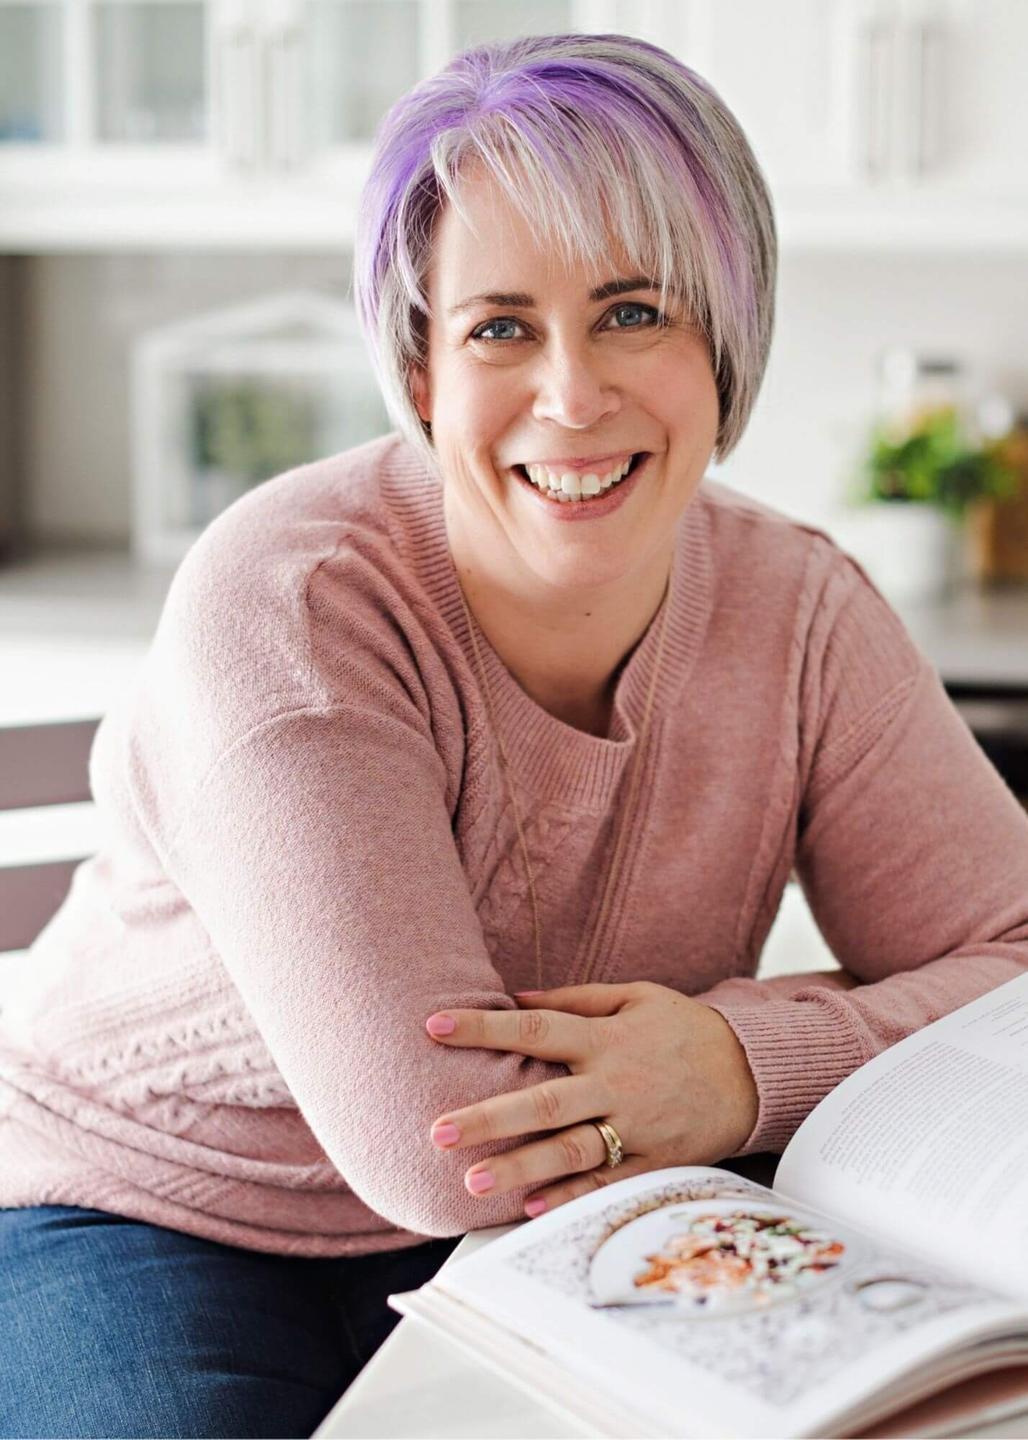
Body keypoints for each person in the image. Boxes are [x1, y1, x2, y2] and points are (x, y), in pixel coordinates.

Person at [2, 29, 1026, 1440]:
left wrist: (736, 1061)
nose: (572, 396)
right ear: (420, 371)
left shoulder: (801, 609)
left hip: (577, 1210)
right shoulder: (292, 606)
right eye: (499, 328)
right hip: (150, 1212)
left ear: (726, 342)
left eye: (633, 312)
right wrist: (771, 1057)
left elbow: (1016, 961)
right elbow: (452, 1149)